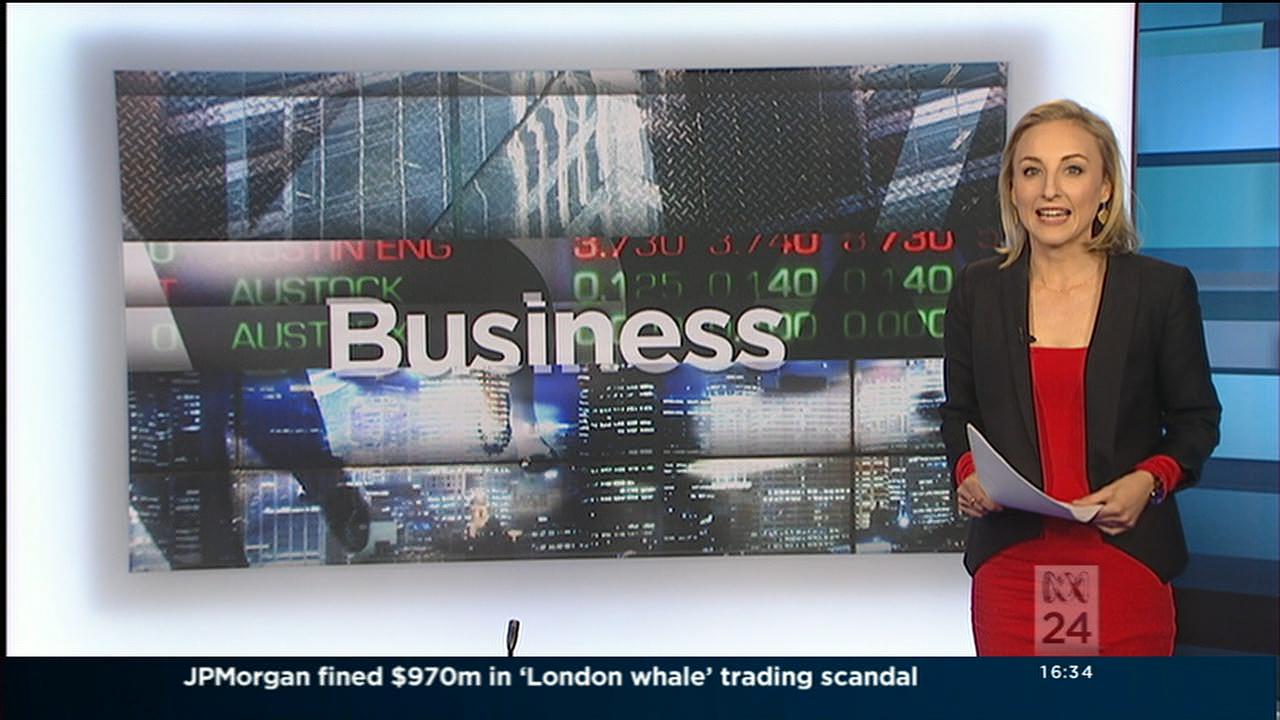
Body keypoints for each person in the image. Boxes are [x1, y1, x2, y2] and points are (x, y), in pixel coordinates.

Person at [940, 99, 1221, 655]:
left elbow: (1197, 420)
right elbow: (959, 413)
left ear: (1105, 188)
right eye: (1032, 171)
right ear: (1013, 190)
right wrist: (968, 473)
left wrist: (1150, 481)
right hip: (1012, 564)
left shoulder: (1160, 291)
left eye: (1072, 169)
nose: (1050, 191)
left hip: (1125, 558)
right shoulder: (978, 290)